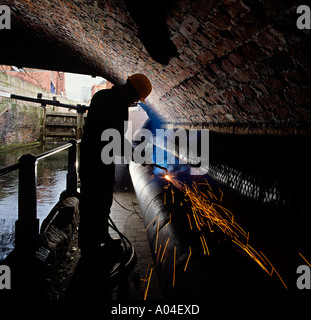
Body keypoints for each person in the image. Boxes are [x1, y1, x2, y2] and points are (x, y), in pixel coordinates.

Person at [78, 74, 152, 254]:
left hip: (94, 158)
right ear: (132, 93)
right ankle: (90, 247)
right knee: (95, 202)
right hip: (98, 161)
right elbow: (114, 139)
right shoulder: (117, 105)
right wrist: (136, 156)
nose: (134, 103)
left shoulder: (102, 97)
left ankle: (99, 236)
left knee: (99, 200)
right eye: (136, 99)